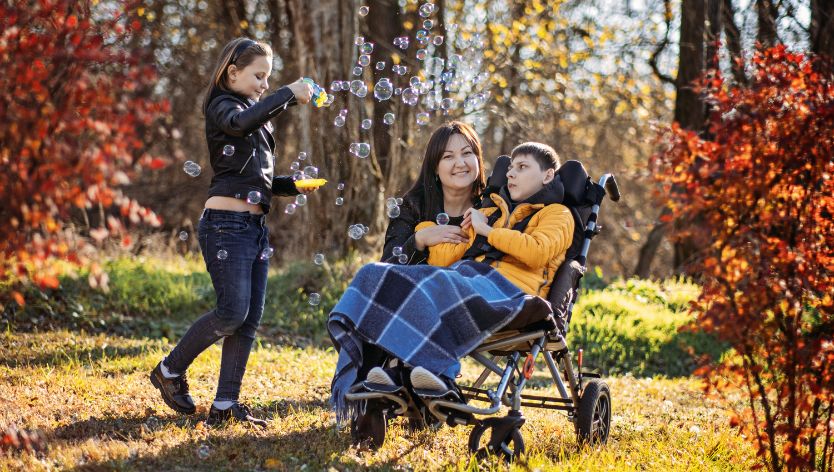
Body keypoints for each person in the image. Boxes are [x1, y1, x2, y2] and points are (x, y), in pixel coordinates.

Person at [329, 142, 574, 419]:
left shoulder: (558, 214)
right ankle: (391, 372)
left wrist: (487, 232)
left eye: (522, 167)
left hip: (514, 296)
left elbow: (537, 252)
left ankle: (440, 374)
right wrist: (427, 231)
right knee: (376, 275)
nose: (511, 174)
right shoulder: (492, 212)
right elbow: (445, 261)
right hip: (469, 280)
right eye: (510, 169)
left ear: (548, 176)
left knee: (444, 283)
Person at [149, 37, 317, 427]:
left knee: (249, 318)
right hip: (225, 227)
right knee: (231, 312)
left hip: (253, 228)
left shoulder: (253, 117)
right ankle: (169, 370)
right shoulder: (223, 107)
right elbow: (241, 124)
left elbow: (257, 177)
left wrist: (293, 185)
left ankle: (225, 404)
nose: (263, 84)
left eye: (268, 78)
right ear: (232, 72)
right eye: (258, 76)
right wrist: (287, 93)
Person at [381, 121, 486, 264]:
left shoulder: (490, 205)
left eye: (467, 153)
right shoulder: (412, 207)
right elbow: (386, 267)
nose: (460, 163)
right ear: (435, 167)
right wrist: (419, 239)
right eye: (448, 156)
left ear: (478, 159)